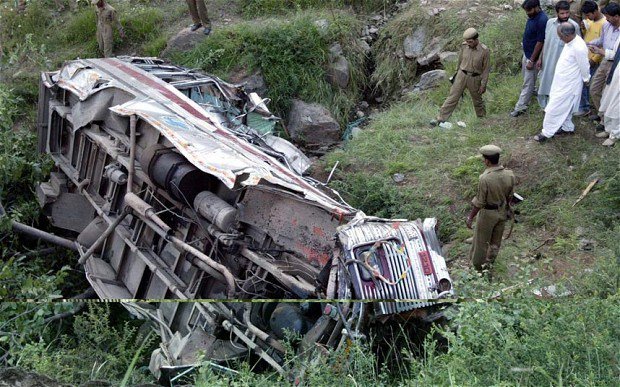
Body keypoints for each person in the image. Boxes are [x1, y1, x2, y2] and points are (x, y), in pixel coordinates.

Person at [534, 22, 590, 141]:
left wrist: (586, 79)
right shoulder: (571, 42)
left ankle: (546, 133)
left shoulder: (578, 47)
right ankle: (567, 128)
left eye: (560, 37)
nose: (560, 39)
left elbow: (584, 65)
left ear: (567, 35)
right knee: (566, 107)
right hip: (561, 81)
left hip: (569, 84)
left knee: (554, 107)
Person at [466, 145, 516, 274]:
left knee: (481, 243)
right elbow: (510, 196)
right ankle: (489, 265)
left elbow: (480, 202)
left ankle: (477, 268)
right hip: (502, 212)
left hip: (488, 214)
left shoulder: (485, 178)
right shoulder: (509, 174)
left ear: (487, 161)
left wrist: (470, 217)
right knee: (495, 242)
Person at [430, 28, 490, 127]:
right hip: (461, 75)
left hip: (475, 78)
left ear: (476, 40)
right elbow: (460, 61)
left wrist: (483, 84)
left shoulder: (484, 51)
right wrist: (456, 74)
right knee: (452, 97)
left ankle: (482, 120)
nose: (468, 44)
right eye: (467, 41)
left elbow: (486, 69)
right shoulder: (464, 46)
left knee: (477, 99)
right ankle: (440, 118)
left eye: (470, 42)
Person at [537, 1, 581, 108]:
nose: (565, 16)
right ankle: (547, 107)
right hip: (548, 60)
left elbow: (578, 47)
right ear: (557, 13)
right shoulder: (550, 23)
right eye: (562, 13)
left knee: (560, 87)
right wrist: (540, 58)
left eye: (567, 13)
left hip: (564, 64)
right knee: (546, 83)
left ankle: (559, 108)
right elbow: (546, 41)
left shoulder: (574, 26)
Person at [511, 0, 549, 117]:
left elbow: (540, 41)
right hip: (527, 53)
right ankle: (532, 92)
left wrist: (532, 60)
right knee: (527, 80)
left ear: (537, 7)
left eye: (529, 10)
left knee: (527, 83)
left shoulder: (542, 20)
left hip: (533, 56)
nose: (527, 13)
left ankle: (521, 107)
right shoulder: (533, 16)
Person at [584, 3, 620, 123]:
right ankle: (602, 114)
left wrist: (601, 52)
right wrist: (589, 44)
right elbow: (601, 40)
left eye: (608, 17)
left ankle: (606, 121)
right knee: (594, 88)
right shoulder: (606, 25)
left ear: (616, 16)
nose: (607, 19)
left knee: (608, 93)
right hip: (605, 61)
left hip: (616, 65)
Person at [575, 1, 607, 116]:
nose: (587, 17)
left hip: (593, 60)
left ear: (595, 11)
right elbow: (587, 35)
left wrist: (594, 60)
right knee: (585, 83)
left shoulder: (604, 24)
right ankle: (587, 106)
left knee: (588, 83)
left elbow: (603, 44)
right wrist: (583, 28)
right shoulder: (590, 21)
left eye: (588, 15)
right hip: (585, 56)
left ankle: (585, 108)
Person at [596, 35, 620, 145]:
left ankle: (615, 135)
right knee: (608, 100)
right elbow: (615, 54)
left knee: (616, 106)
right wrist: (602, 52)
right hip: (615, 73)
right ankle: (608, 129)